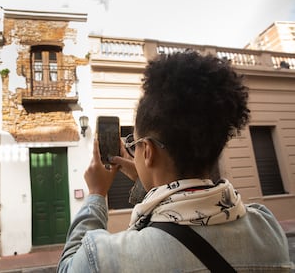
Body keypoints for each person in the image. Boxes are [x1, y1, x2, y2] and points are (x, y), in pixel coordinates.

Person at [57, 51, 291, 272]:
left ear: (147, 151)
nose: (133, 151)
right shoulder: (267, 229)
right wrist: (143, 177)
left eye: (134, 143)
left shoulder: (105, 257)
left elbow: (68, 266)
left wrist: (96, 193)